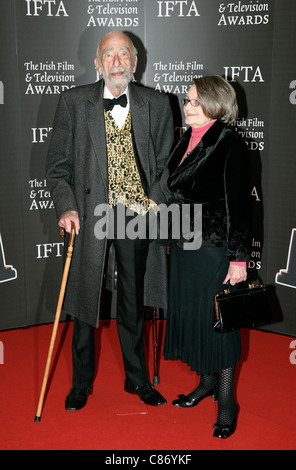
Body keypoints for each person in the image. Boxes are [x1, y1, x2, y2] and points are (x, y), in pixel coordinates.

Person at [46, 31, 175, 411]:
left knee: (133, 302)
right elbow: (57, 167)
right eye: (109, 55)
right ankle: (81, 383)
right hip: (90, 216)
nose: (117, 61)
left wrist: (155, 201)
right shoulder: (73, 101)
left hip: (137, 215)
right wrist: (66, 207)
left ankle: (136, 381)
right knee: (86, 300)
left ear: (135, 64)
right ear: (97, 64)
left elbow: (169, 165)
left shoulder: (156, 103)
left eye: (124, 54)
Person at [160, 76, 251, 439]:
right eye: (187, 100)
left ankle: (227, 400)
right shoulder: (187, 138)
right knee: (198, 319)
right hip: (184, 247)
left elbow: (240, 208)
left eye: (196, 101)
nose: (188, 106)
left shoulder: (230, 144)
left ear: (216, 104)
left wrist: (238, 259)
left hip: (213, 250)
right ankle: (207, 383)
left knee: (219, 326)